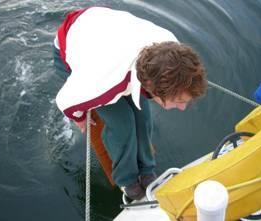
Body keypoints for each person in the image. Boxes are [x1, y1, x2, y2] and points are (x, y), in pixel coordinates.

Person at [53, 7, 207, 200]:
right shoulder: (102, 82)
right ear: (154, 88)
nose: (183, 107)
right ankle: (126, 179)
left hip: (106, 34)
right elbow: (66, 100)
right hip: (71, 43)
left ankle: (146, 170)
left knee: (142, 116)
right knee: (122, 123)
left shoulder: (173, 51)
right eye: (179, 101)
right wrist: (80, 117)